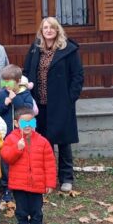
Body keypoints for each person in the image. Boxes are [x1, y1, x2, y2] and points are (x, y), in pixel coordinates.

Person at [23, 17, 84, 192]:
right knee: (43, 142)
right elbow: (26, 71)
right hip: (39, 103)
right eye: (45, 28)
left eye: (52, 28)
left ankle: (66, 177)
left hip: (61, 103)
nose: (48, 30)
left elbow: (77, 76)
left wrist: (70, 98)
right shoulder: (36, 49)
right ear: (41, 31)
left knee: (64, 141)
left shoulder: (69, 50)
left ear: (57, 30)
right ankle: (46, 178)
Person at [1, 108, 56, 224]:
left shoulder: (43, 141)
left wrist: (50, 183)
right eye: (24, 122)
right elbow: (7, 157)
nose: (28, 125)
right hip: (19, 185)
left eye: (31, 121)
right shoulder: (11, 139)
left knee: (37, 211)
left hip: (37, 185)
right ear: (16, 123)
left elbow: (49, 164)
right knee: (21, 210)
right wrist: (17, 148)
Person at [0, 64, 36, 202]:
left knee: (22, 160)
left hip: (22, 135)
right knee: (6, 161)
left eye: (9, 82)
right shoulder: (1, 95)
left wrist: (15, 99)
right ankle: (7, 188)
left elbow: (28, 111)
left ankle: (23, 185)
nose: (6, 85)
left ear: (17, 81)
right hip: (7, 137)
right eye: (3, 82)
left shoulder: (25, 94)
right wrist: (5, 103)